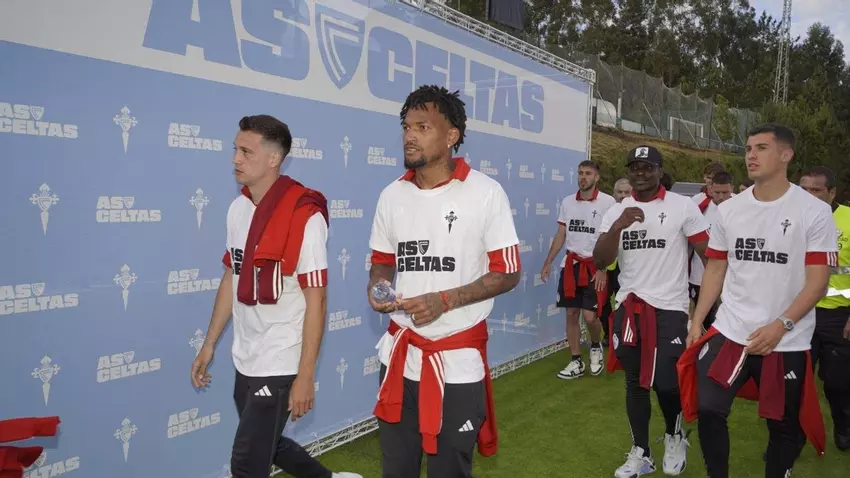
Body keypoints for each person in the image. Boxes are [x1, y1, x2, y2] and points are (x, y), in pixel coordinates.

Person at [190, 115, 361, 478]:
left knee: (246, 463)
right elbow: (232, 277)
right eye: (235, 149)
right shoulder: (238, 209)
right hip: (246, 354)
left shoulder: (305, 216)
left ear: (273, 159)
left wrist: (305, 374)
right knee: (268, 442)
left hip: (282, 356)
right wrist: (209, 345)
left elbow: (317, 300)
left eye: (246, 151)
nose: (235, 159)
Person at [366, 85, 521, 478]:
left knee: (449, 470)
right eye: (407, 127)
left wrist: (445, 300)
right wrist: (378, 288)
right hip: (399, 357)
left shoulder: (486, 193)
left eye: (423, 127)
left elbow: (508, 271)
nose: (410, 135)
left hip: (457, 362)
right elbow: (382, 262)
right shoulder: (391, 195)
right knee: (396, 471)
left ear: (451, 135)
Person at [679, 124, 837, 478]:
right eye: (749, 148)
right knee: (709, 408)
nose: (751, 155)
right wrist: (697, 320)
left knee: (783, 425)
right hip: (731, 330)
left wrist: (782, 324)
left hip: (785, 339)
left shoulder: (813, 211)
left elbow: (818, 283)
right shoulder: (730, 209)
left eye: (762, 148)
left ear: (786, 155)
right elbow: (716, 267)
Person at [593, 145, 710, 477]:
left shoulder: (681, 206)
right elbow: (600, 260)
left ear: (660, 170)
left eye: (647, 167)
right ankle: (641, 452)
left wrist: (709, 304)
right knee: (635, 382)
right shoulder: (617, 211)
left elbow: (708, 255)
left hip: (670, 307)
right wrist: (618, 226)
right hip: (629, 306)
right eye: (635, 167)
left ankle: (674, 434)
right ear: (628, 172)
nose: (641, 173)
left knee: (666, 382)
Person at [541, 160, 615, 378]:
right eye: (581, 173)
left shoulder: (608, 202)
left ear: (597, 177)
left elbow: (610, 238)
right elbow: (561, 234)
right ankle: (576, 361)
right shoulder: (567, 202)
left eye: (588, 173)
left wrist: (602, 268)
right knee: (571, 314)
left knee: (590, 317)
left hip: (594, 266)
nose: (583, 177)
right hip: (571, 265)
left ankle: (595, 345)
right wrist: (548, 261)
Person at [799, 165, 850, 451]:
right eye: (804, 189)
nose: (809, 195)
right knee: (793, 380)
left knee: (836, 382)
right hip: (799, 313)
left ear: (832, 193)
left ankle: (844, 428)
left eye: (816, 190)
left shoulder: (848, 220)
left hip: (838, 316)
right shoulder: (790, 220)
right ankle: (790, 438)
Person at [687, 171, 735, 330]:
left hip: (730, 278)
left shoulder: (740, 208)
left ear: (732, 188)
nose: (721, 197)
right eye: (717, 192)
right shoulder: (698, 207)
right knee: (704, 321)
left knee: (724, 321)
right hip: (699, 276)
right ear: (710, 189)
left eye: (725, 192)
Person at [600, 178, 633, 346]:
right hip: (609, 264)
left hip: (629, 265)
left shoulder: (639, 212)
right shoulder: (609, 213)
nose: (623, 195)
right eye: (620, 192)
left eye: (627, 192)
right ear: (614, 194)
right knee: (604, 302)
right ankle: (608, 333)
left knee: (626, 301)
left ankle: (624, 333)